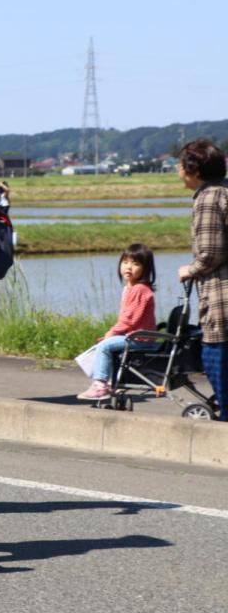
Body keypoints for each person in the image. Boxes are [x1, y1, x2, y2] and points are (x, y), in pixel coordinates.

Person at [176, 139, 228, 420]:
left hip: (221, 293)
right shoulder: (224, 190)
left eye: (180, 164)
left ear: (193, 169)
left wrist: (189, 269)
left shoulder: (209, 198)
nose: (177, 169)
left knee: (215, 353)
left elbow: (211, 253)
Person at [77, 244, 157, 400]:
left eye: (135, 264)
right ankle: (114, 382)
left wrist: (112, 333)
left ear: (145, 269)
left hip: (140, 338)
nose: (129, 267)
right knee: (107, 344)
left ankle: (100, 385)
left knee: (105, 345)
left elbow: (129, 319)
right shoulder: (132, 288)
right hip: (135, 336)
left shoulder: (139, 289)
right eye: (125, 262)